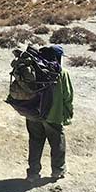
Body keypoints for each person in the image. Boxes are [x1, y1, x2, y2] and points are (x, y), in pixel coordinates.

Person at [26, 46, 73, 182]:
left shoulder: (33, 70)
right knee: (57, 142)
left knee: (35, 142)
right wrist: (68, 112)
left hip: (33, 113)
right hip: (53, 115)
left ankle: (33, 174)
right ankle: (58, 170)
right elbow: (68, 96)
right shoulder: (62, 73)